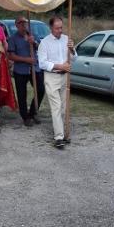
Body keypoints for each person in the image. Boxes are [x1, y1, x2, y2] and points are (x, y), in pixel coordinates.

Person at [38, 16, 76, 149]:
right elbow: (42, 63)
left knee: (64, 107)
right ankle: (59, 137)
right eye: (57, 28)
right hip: (51, 77)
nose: (60, 30)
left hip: (64, 77)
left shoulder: (66, 39)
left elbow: (74, 58)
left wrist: (72, 49)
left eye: (61, 27)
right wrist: (60, 66)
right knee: (56, 106)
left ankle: (65, 133)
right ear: (51, 28)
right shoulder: (45, 43)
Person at [8, 16, 45, 127]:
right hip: (20, 70)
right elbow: (11, 56)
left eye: (25, 22)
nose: (24, 24)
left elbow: (41, 49)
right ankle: (25, 116)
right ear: (16, 25)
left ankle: (33, 112)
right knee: (22, 94)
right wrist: (26, 59)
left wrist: (34, 43)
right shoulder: (13, 38)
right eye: (21, 23)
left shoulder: (33, 35)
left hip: (34, 68)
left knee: (41, 90)